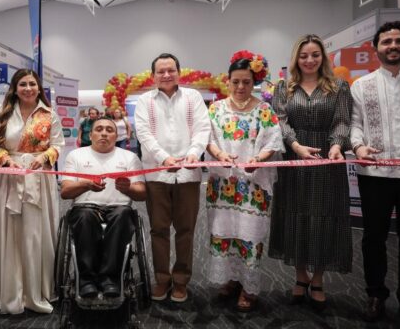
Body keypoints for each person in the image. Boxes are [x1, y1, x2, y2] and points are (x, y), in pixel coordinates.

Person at [269, 34, 353, 312]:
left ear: (323, 57)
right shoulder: (284, 88)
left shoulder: (339, 86)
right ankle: (300, 276)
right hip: (294, 159)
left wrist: (337, 145)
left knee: (324, 217)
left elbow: (342, 121)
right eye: (303, 55)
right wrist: (295, 145)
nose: (309, 60)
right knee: (295, 215)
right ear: (296, 58)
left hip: (328, 159)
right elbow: (280, 121)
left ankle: (317, 279)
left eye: (315, 55)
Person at [0, 69, 64, 314]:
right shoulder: (3, 113)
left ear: (39, 88)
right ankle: (9, 289)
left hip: (39, 178)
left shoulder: (49, 115)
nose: (28, 88)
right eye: (23, 84)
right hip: (9, 176)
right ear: (15, 89)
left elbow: (58, 144)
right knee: (11, 231)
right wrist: (6, 160)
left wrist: (44, 157)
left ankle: (37, 288)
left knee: (35, 233)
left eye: (32, 84)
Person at [351, 21, 400, 326]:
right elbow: (355, 124)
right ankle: (375, 294)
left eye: (399, 41)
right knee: (373, 239)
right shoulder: (361, 85)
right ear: (375, 47)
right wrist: (358, 146)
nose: (393, 46)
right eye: (387, 41)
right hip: (374, 174)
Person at [205, 51, 283, 312]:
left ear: (254, 83)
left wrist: (258, 159)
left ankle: (248, 287)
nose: (240, 87)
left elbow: (274, 141)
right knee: (225, 233)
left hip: (253, 185)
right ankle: (230, 278)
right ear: (227, 81)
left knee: (250, 235)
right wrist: (219, 155)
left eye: (246, 82)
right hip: (222, 185)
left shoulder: (264, 110)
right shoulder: (215, 109)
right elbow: (207, 139)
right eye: (235, 81)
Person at [135, 53, 210, 302]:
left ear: (179, 72)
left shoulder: (193, 97)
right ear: (153, 76)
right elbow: (143, 133)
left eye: (171, 70)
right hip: (156, 174)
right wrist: (163, 157)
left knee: (186, 230)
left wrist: (193, 154)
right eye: (161, 71)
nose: (166, 75)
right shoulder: (145, 100)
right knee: (158, 229)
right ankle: (161, 279)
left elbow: (202, 129)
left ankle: (180, 280)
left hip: (188, 174)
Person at [61, 118, 146, 298]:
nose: (104, 133)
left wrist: (128, 188)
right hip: (85, 207)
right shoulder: (76, 155)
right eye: (99, 129)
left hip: (119, 207)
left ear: (117, 135)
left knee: (123, 215)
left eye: (109, 130)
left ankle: (110, 279)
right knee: (85, 216)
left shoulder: (130, 157)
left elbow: (142, 193)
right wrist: (85, 184)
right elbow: (65, 192)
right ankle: (87, 280)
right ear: (90, 135)